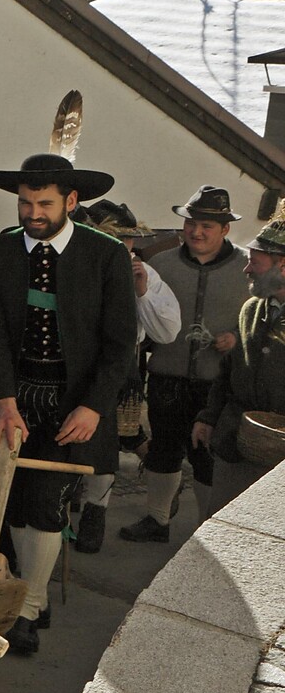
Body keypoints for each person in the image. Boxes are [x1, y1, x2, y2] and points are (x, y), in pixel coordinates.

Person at [0, 153, 136, 658]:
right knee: (9, 499)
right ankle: (23, 591)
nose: (32, 212)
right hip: (15, 397)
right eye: (25, 202)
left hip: (74, 403)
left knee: (45, 501)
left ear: (71, 201)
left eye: (43, 203)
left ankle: (28, 608)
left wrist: (94, 407)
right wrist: (3, 400)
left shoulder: (105, 256)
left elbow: (119, 342)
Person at [126, 186, 248, 542]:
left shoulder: (246, 268)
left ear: (225, 229)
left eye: (207, 226)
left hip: (216, 382)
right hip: (167, 374)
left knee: (209, 460)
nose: (196, 232)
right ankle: (157, 520)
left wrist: (236, 340)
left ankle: (205, 533)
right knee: (163, 451)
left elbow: (260, 322)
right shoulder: (160, 264)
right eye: (191, 223)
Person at [69, 200, 181, 552]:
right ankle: (60, 506)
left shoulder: (141, 271)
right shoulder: (75, 263)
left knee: (108, 442)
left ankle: (95, 511)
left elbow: (166, 333)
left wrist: (143, 291)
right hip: (71, 365)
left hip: (118, 368)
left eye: (130, 240)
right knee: (67, 437)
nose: (126, 248)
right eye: (118, 239)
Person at [194, 216, 285, 514]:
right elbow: (228, 373)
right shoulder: (251, 310)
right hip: (236, 445)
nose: (246, 269)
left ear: (282, 266)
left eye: (254, 263)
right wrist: (208, 418)